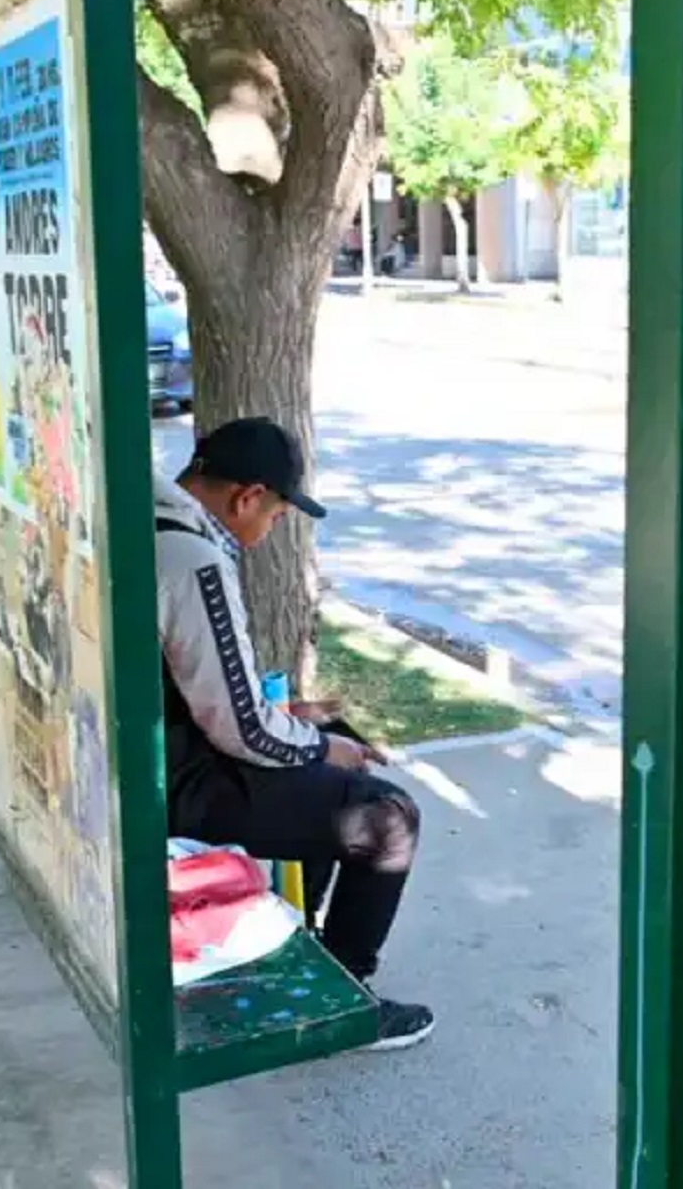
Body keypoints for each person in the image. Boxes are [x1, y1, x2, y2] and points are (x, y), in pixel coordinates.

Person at [154, 416, 433, 1050]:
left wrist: (304, 724)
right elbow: (245, 731)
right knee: (388, 818)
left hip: (156, 750)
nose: (273, 528)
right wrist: (320, 745)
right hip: (175, 782)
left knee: (324, 756)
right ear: (246, 496)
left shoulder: (152, 521)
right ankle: (346, 1001)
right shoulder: (191, 559)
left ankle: (298, 946)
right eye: (277, 514)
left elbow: (211, 694)